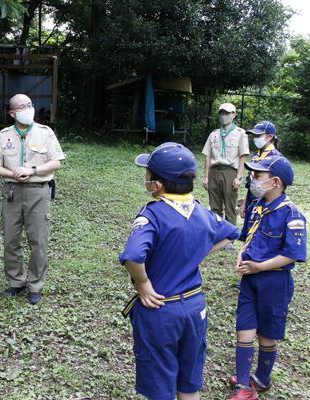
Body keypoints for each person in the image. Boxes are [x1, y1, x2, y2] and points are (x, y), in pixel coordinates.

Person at [119, 142, 240, 400]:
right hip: (196, 309)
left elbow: (132, 256)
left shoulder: (153, 214)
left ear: (158, 185)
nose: (146, 178)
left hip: (161, 311)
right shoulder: (203, 212)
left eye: (148, 174)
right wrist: (198, 252)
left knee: (160, 383)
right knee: (188, 382)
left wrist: (143, 284)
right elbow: (232, 233)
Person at [228, 155, 306, 400]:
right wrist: (241, 255)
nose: (253, 180)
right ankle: (243, 385)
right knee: (244, 329)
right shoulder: (255, 207)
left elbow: (293, 254)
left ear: (275, 182)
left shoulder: (292, 214)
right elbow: (247, 238)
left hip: (275, 282)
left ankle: (261, 379)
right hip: (250, 279)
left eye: (258, 175)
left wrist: (260, 267)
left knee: (266, 334)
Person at [0, 93, 65, 305]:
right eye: (22, 106)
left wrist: (33, 169)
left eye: (30, 104)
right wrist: (12, 174)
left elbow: (56, 162)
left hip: (38, 191)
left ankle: (35, 285)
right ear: (12, 113)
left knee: (38, 241)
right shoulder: (4, 135)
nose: (28, 109)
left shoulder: (45, 132)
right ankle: (16, 282)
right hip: (12, 191)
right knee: (11, 239)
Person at [202, 103, 250, 227]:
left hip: (230, 172)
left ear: (233, 115)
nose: (224, 116)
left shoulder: (240, 133)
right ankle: (217, 234)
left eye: (227, 113)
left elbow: (242, 157)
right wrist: (206, 177)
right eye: (222, 113)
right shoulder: (214, 134)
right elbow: (208, 156)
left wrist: (239, 177)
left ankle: (229, 239)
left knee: (230, 206)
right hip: (214, 172)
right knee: (214, 206)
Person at [240, 121, 282, 223]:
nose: (255, 138)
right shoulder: (256, 156)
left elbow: (277, 188)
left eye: (258, 135)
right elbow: (251, 182)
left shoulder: (276, 158)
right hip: (252, 201)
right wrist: (245, 203)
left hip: (266, 203)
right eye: (254, 136)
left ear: (270, 137)